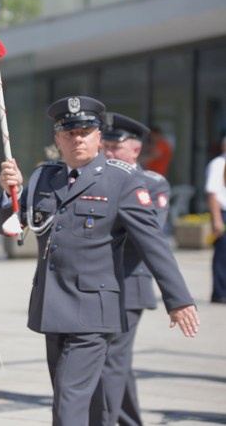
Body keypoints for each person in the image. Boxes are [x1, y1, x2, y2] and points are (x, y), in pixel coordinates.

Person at [0, 96, 200, 426]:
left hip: (94, 311)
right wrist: (9, 193)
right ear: (57, 138)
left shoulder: (123, 180)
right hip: (52, 305)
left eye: (86, 131)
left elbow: (152, 243)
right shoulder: (43, 177)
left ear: (97, 137)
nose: (78, 138)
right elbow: (15, 225)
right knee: (82, 402)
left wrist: (178, 300)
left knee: (68, 401)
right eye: (69, 132)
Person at [93, 112, 173, 425]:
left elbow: (146, 235)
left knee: (112, 360)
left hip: (128, 283)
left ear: (135, 150)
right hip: (98, 282)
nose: (108, 153)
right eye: (105, 146)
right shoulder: (94, 178)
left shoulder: (151, 184)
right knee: (117, 362)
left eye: (115, 147)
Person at [205, 136, 226, 304]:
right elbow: (212, 194)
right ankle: (219, 292)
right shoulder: (218, 164)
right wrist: (217, 220)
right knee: (222, 256)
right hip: (223, 213)